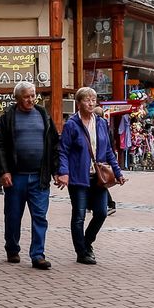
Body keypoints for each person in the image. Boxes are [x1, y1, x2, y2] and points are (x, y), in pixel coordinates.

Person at [0, 81, 59, 270]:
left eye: (32, 95)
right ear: (17, 98)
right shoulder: (8, 117)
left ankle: (38, 255)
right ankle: (12, 248)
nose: (30, 99)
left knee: (40, 216)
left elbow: (54, 144)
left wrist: (57, 170)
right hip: (16, 177)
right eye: (26, 96)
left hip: (39, 177)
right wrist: (4, 171)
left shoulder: (43, 114)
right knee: (13, 216)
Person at [56, 87, 125, 265]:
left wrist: (117, 172)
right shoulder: (72, 124)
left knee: (101, 213)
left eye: (93, 99)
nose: (91, 103)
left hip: (98, 178)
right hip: (79, 177)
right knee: (79, 215)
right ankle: (82, 252)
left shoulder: (101, 123)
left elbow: (109, 150)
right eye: (87, 100)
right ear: (78, 103)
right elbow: (63, 151)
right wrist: (63, 172)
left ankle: (87, 242)